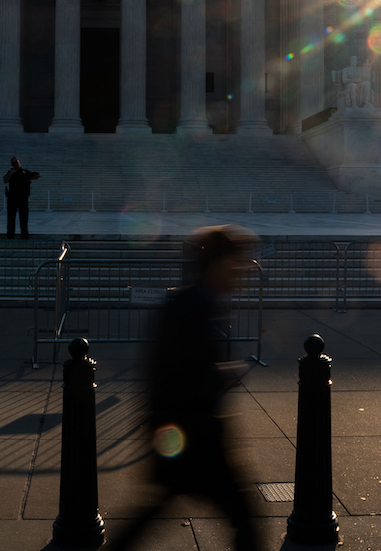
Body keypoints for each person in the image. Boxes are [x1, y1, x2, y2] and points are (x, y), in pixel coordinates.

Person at [108, 224, 264, 551]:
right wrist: (222, 375)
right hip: (190, 434)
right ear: (219, 264)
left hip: (182, 431)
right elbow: (183, 374)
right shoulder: (190, 308)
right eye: (238, 263)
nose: (242, 271)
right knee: (244, 516)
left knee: (162, 505)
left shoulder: (197, 304)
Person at [2, 156, 41, 239]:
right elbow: (5, 180)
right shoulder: (10, 172)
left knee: (24, 218)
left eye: (16, 162)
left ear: (19, 162)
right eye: (13, 163)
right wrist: (11, 173)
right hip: (12, 198)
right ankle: (10, 235)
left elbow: (38, 175)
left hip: (23, 198)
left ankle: (24, 235)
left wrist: (28, 179)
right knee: (11, 218)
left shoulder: (25, 172)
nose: (15, 164)